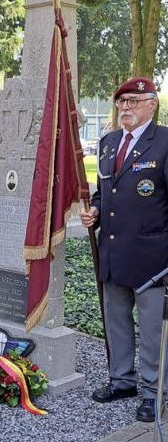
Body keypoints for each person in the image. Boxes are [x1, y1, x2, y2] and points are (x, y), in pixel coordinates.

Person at [81, 76, 168, 423]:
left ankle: (153, 390)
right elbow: (105, 192)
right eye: (121, 102)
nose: (125, 108)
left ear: (152, 104)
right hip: (113, 254)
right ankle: (122, 381)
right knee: (116, 322)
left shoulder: (164, 142)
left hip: (152, 259)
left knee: (151, 330)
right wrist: (97, 211)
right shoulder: (108, 142)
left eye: (133, 101)